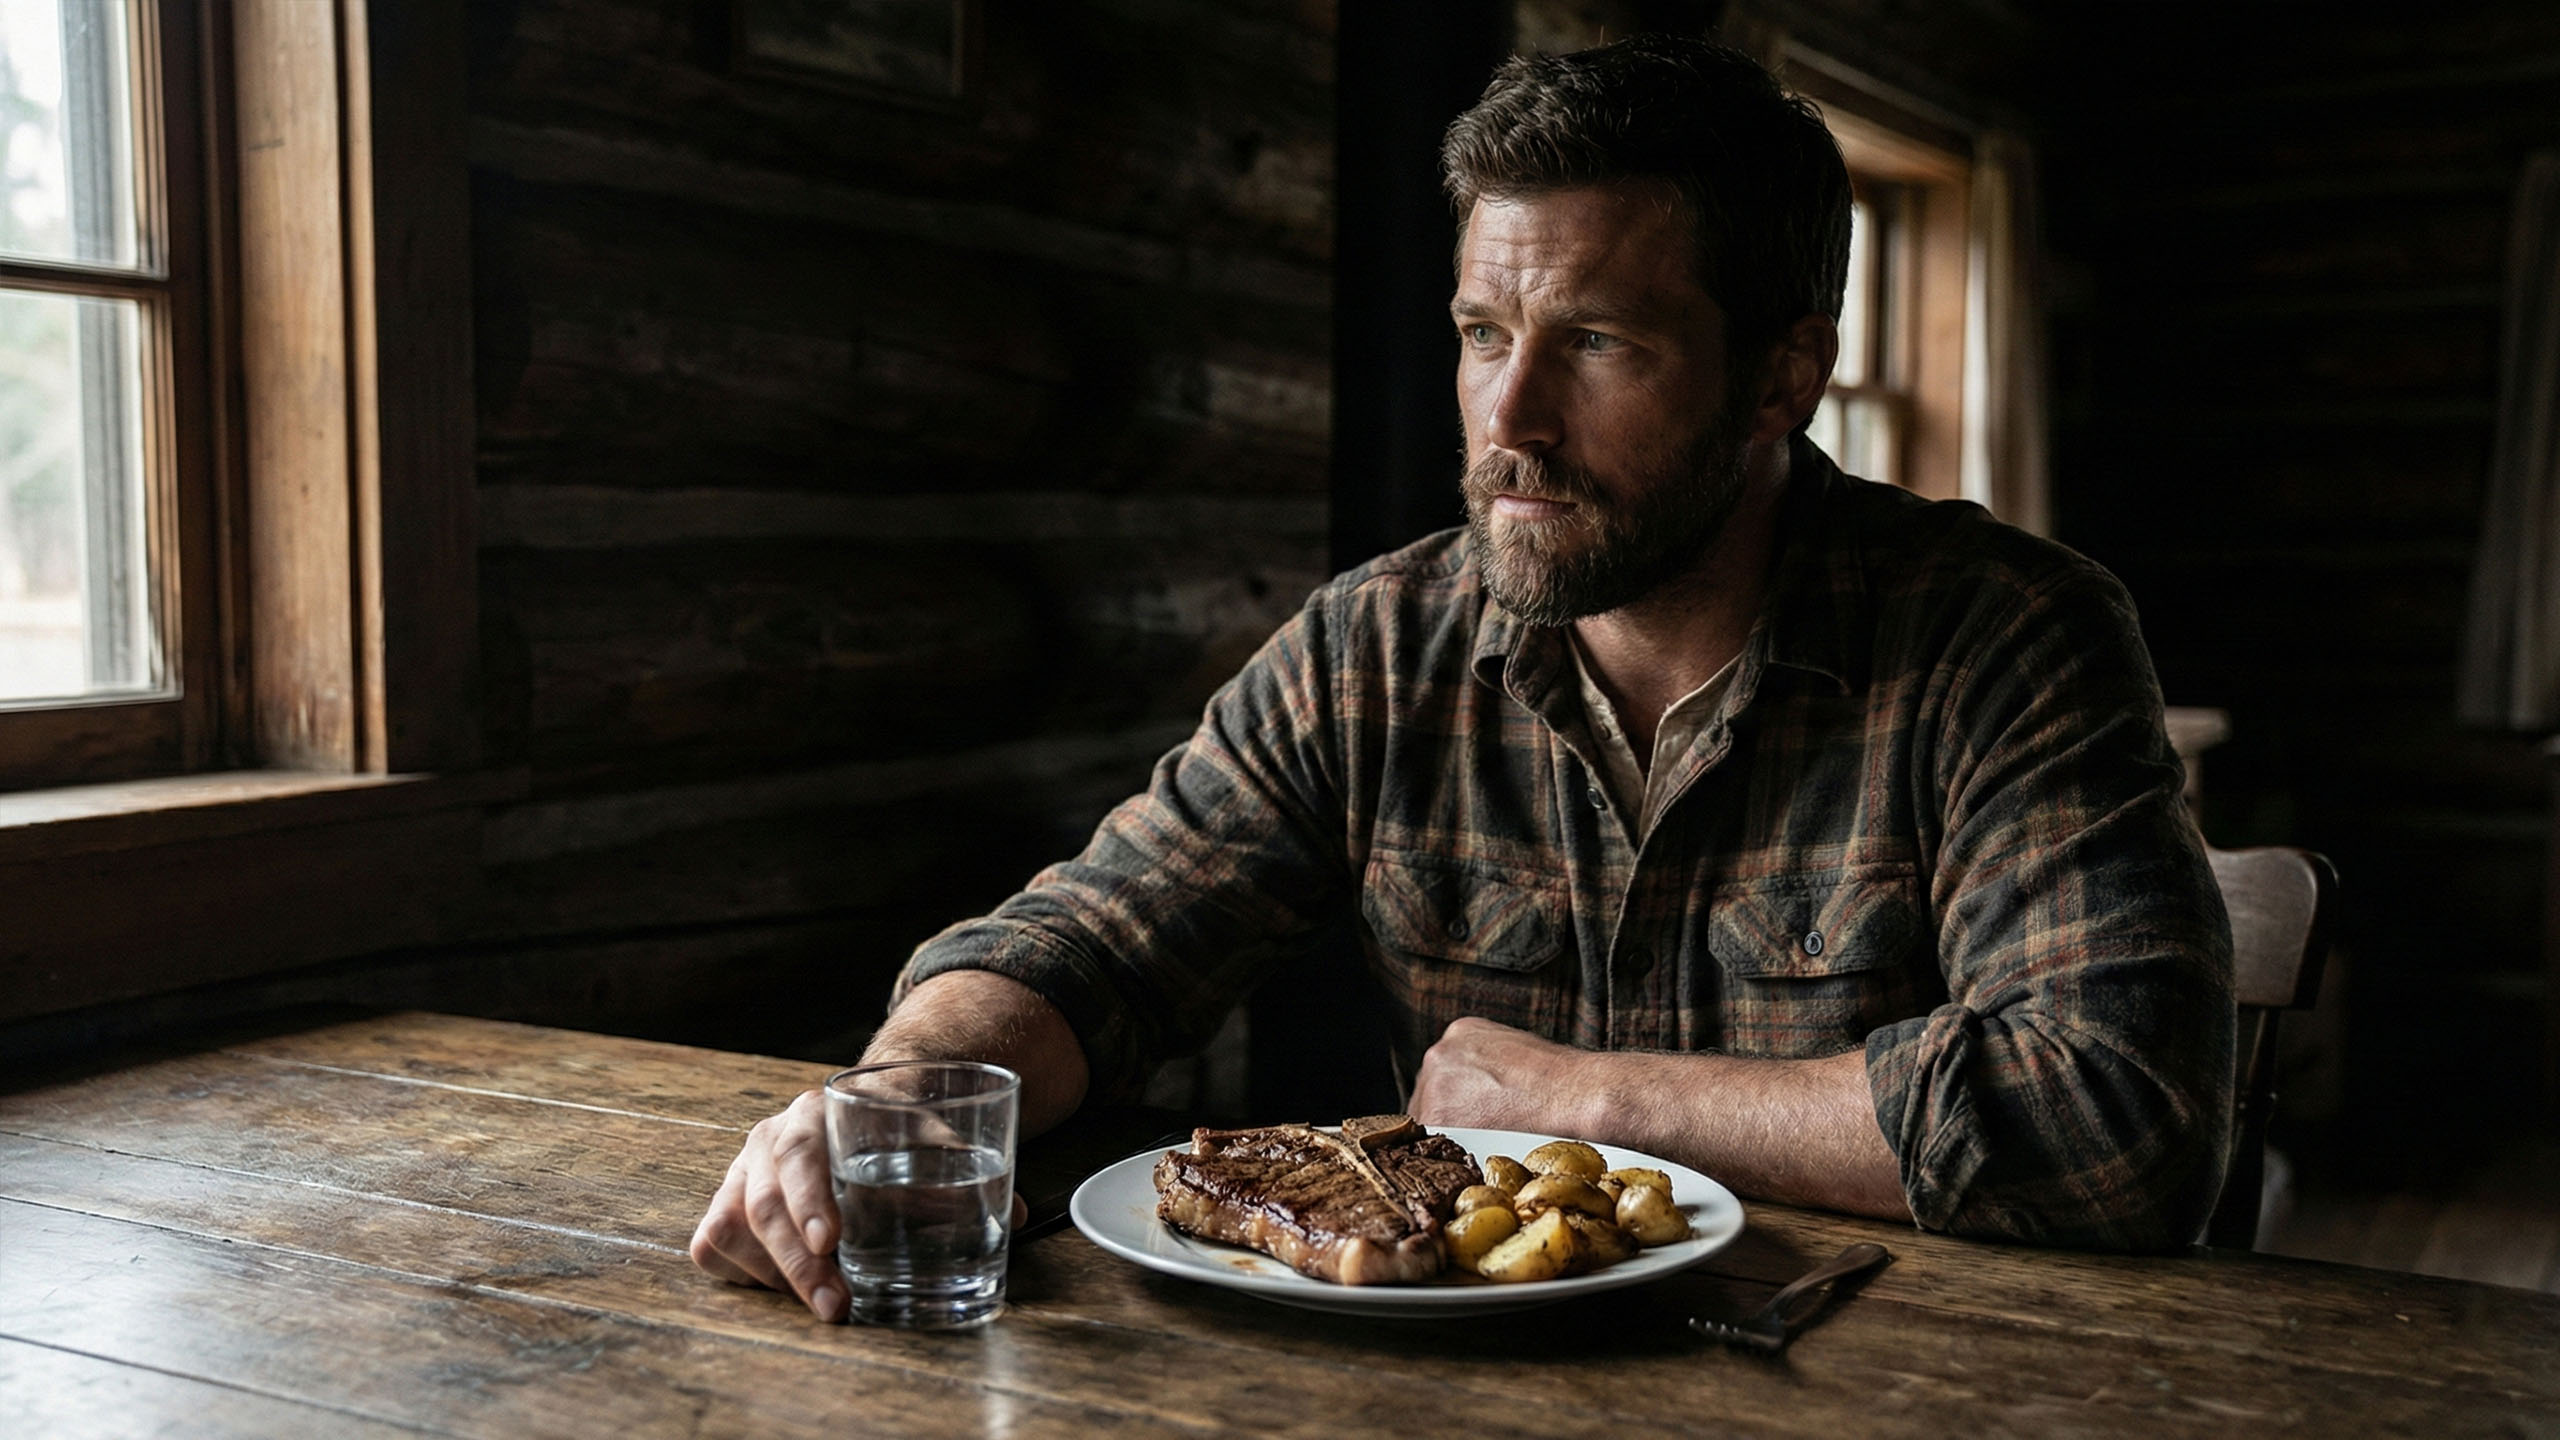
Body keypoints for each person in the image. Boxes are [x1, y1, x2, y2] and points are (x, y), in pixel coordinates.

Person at [691, 34, 2235, 1321]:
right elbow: (1095, 941)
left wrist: (1585, 1101)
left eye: (1600, 345)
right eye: (1482, 331)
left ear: (1783, 377)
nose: (1511, 418)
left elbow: (2119, 1119)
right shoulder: (1376, 647)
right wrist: (891, 1094)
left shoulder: (2007, 639)